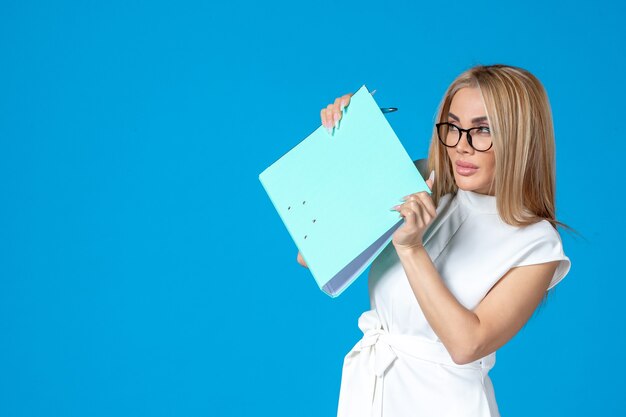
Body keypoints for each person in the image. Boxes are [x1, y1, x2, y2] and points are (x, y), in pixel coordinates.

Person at [297, 64, 571, 417]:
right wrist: (345, 146)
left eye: (482, 130)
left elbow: (465, 344)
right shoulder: (422, 180)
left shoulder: (537, 244)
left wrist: (411, 248)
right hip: (371, 395)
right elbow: (312, 253)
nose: (461, 146)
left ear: (521, 137)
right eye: (453, 127)